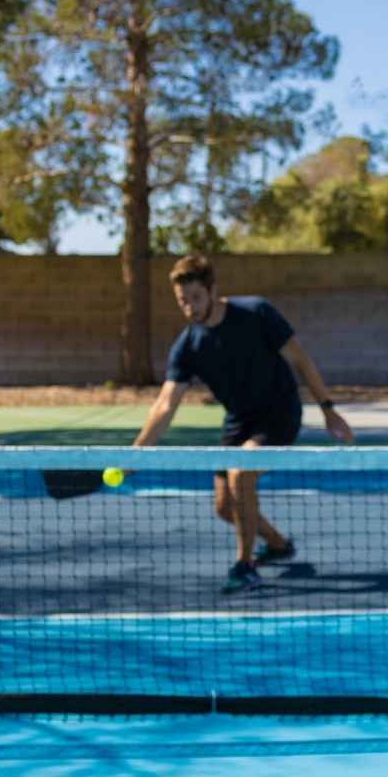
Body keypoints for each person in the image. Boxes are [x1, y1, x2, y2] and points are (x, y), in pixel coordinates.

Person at [133, 254, 355, 593]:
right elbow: (165, 404)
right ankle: (279, 545)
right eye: (182, 301)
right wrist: (138, 453)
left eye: (195, 298)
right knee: (224, 507)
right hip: (239, 420)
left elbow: (300, 357)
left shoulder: (256, 312)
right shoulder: (188, 345)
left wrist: (328, 408)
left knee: (240, 473)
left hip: (279, 414)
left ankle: (245, 565)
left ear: (212, 290)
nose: (189, 308)